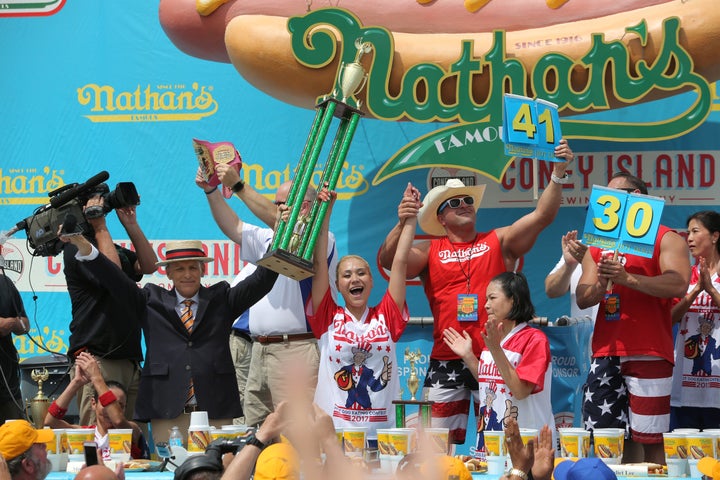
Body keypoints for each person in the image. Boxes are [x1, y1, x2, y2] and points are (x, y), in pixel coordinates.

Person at [378, 140, 574, 444]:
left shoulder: (498, 239)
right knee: (434, 443)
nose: (465, 204)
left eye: (468, 199)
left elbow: (542, 217)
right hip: (447, 356)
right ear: (440, 217)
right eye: (454, 203)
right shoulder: (430, 248)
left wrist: (558, 174)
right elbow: (389, 261)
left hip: (494, 353)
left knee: (498, 438)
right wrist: (403, 222)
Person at [60, 233, 278, 444]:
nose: (187, 274)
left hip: (215, 409)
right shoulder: (150, 301)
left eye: (193, 267)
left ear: (203, 270)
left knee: (219, 470)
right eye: (180, 268)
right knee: (173, 470)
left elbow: (262, 280)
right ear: (168, 273)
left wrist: (280, 236)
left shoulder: (221, 299)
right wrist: (86, 249)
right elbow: (114, 279)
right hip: (167, 411)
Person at [197, 164, 338, 427]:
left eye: (283, 204)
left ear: (305, 207)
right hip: (258, 349)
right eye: (276, 204)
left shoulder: (319, 238)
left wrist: (239, 185)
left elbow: (279, 220)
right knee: (255, 432)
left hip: (296, 349)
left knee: (297, 431)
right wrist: (211, 191)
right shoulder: (269, 237)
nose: (277, 209)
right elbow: (234, 225)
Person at [576, 172, 691, 464]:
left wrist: (629, 279)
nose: (608, 204)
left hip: (649, 350)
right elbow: (583, 296)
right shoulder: (598, 243)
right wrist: (602, 286)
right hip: (606, 351)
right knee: (606, 442)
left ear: (638, 196)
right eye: (604, 198)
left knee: (651, 440)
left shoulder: (666, 237)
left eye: (616, 196)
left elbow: (678, 283)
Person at [307, 183, 417, 437]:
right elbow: (319, 263)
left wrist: (410, 218)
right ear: (338, 286)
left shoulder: (386, 316)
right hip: (335, 435)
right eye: (346, 275)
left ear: (371, 280)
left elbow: (399, 264)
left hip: (382, 434)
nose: (354, 279)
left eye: (361, 273)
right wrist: (325, 213)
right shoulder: (327, 317)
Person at [63, 192, 157, 426]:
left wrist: (131, 225)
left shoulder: (112, 247)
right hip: (97, 360)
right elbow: (111, 274)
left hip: (129, 358)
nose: (103, 208)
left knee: (134, 440)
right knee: (101, 438)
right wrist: (100, 226)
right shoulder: (77, 249)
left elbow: (149, 265)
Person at [443, 271, 555, 457]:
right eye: (486, 299)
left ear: (514, 300)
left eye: (492, 298)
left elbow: (520, 390)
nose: (486, 305)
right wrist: (469, 356)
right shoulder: (496, 338)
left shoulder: (534, 339)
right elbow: (492, 383)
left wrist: (495, 349)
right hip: (491, 444)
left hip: (525, 450)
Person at [44, 352, 149, 460]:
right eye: (105, 404)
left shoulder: (131, 430)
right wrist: (75, 383)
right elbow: (50, 422)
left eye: (120, 406)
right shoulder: (85, 434)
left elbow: (118, 421)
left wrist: (96, 378)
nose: (111, 410)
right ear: (93, 403)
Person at [670, 210, 720, 430]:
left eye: (695, 231)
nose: (688, 237)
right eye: (688, 232)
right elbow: (669, 318)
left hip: (716, 387)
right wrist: (694, 292)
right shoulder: (684, 276)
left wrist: (710, 289)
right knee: (685, 453)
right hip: (685, 387)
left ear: (715, 236)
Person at [544, 230, 598, 320]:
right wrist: (569, 266)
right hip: (582, 333)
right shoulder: (578, 247)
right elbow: (551, 291)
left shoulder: (627, 248)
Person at [0, 262, 29, 424]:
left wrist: (11, 323)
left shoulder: (4, 283)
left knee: (16, 441)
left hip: (7, 386)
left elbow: (25, 325)